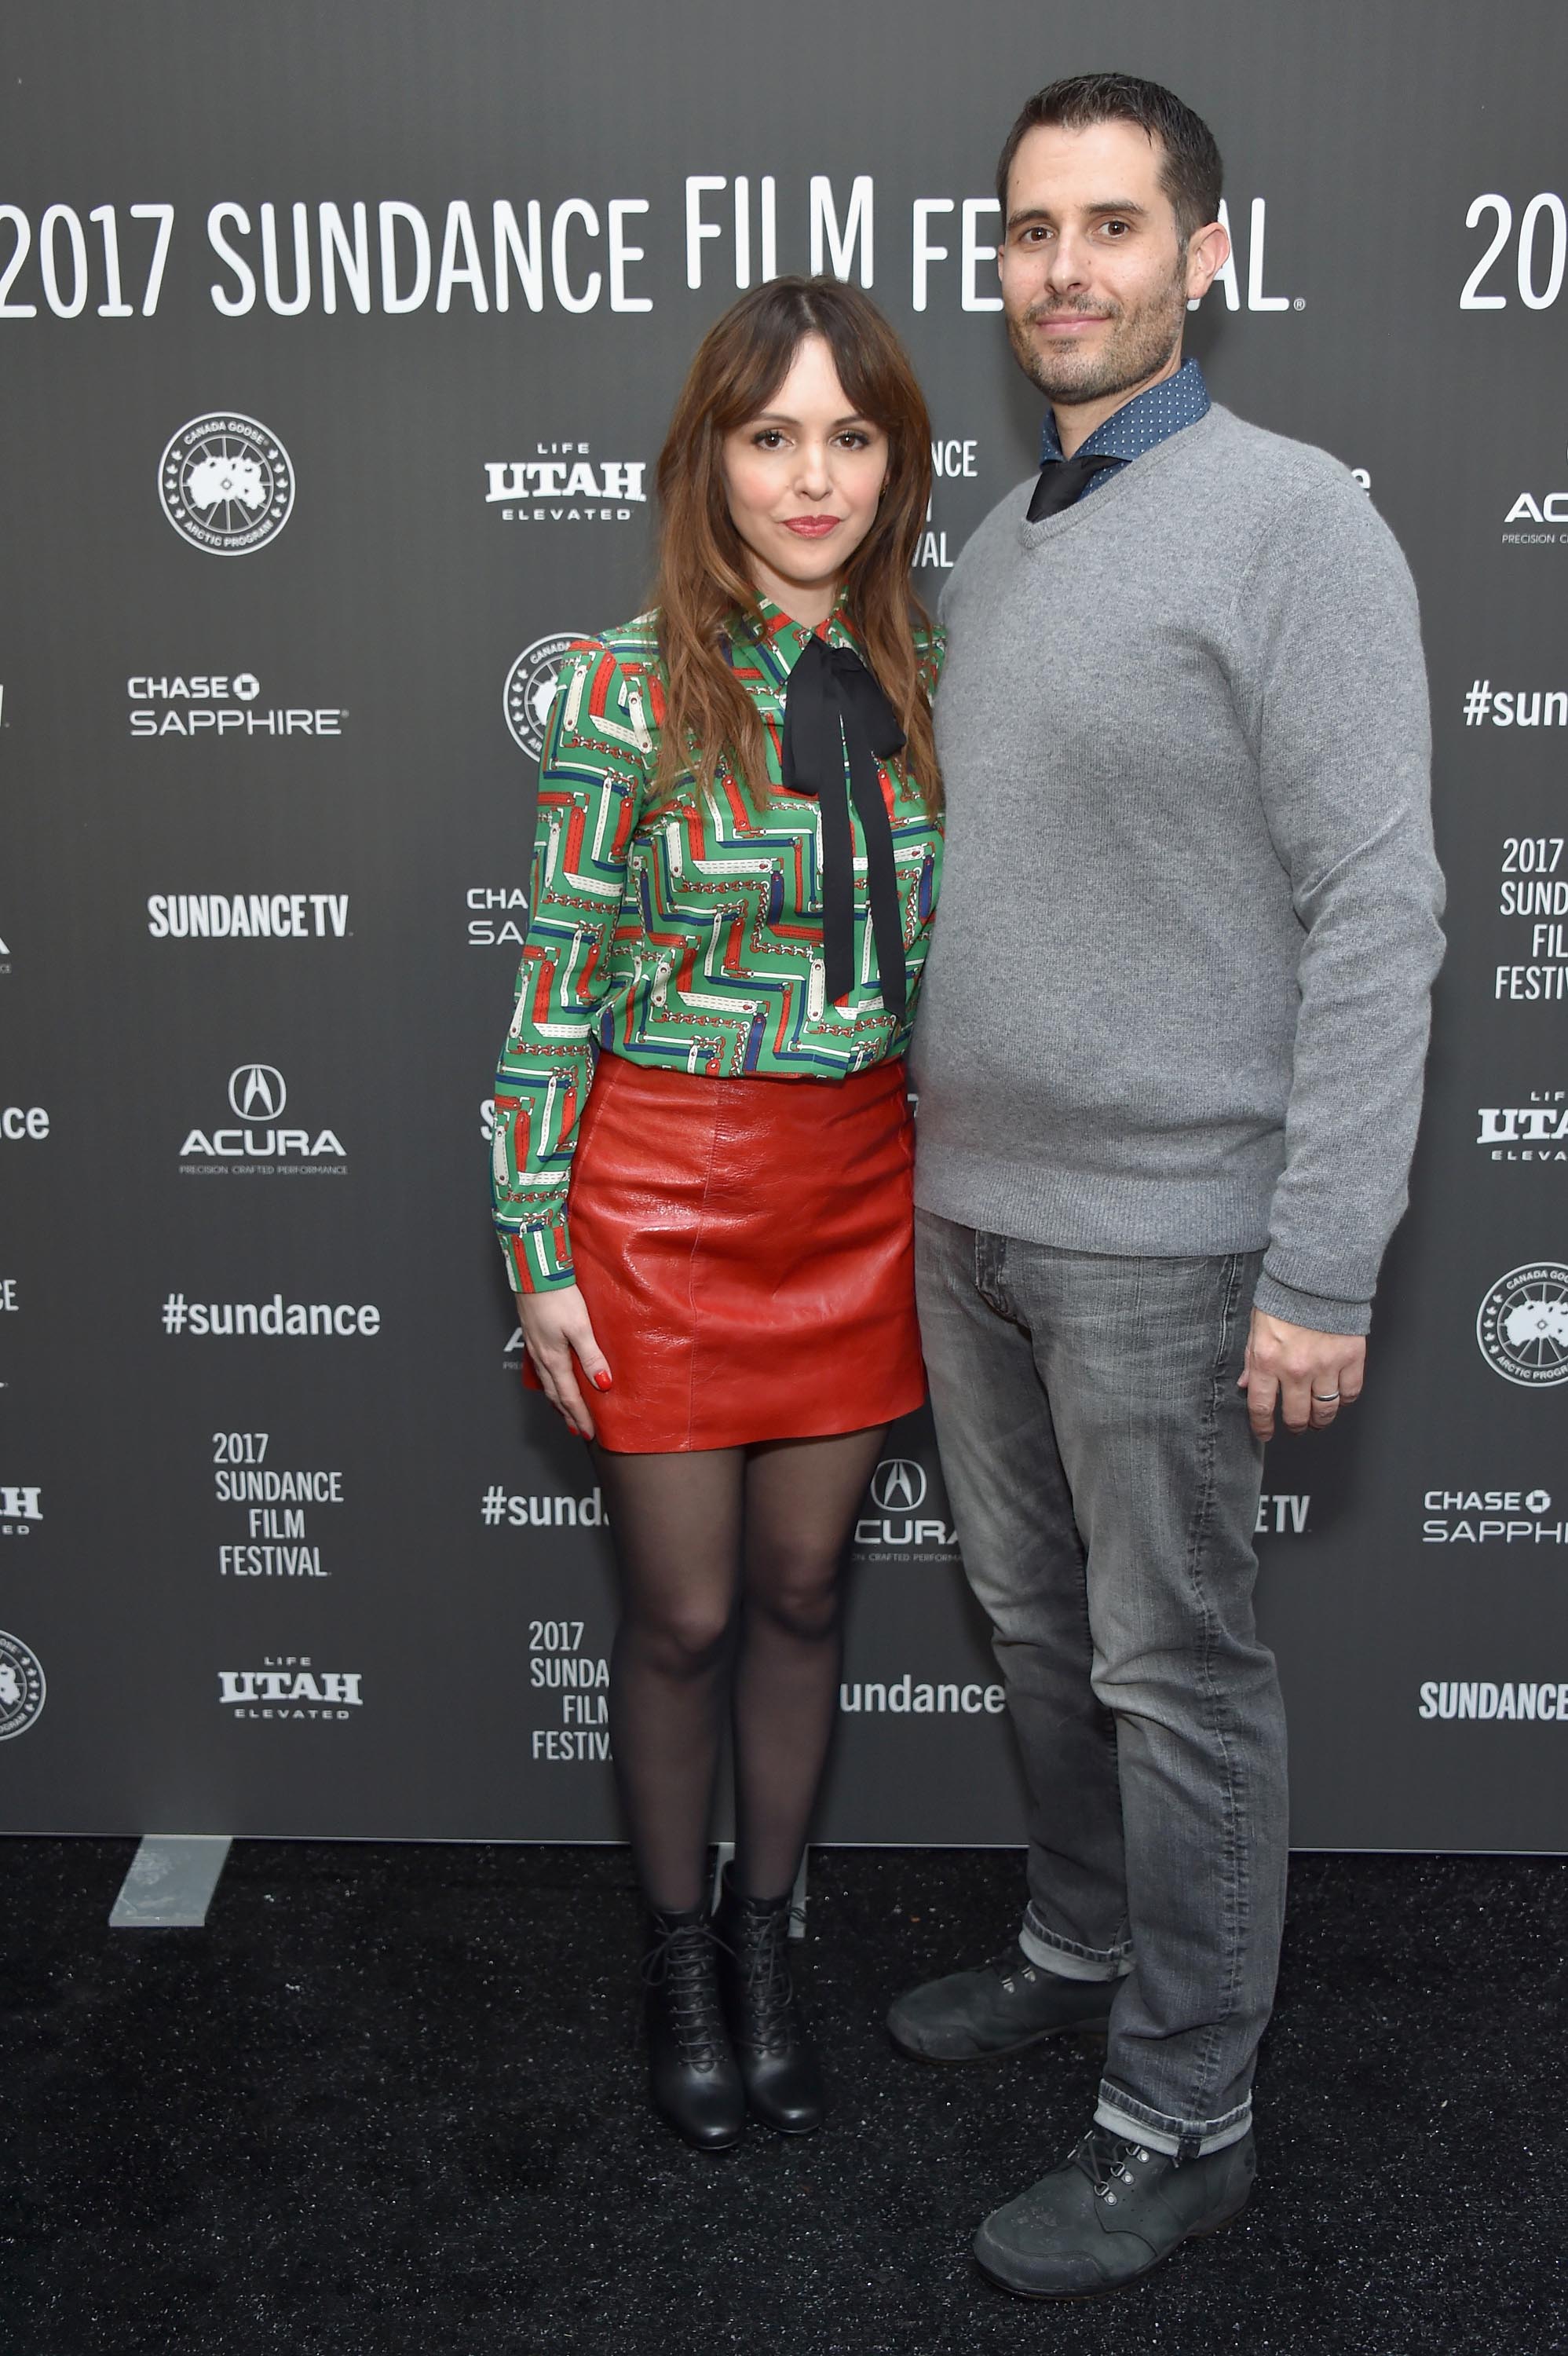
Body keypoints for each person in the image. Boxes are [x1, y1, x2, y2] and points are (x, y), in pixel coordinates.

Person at [890, 74, 1444, 2296]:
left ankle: (1178, 2108)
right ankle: (1073, 1940)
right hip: (969, 1223)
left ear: (1201, 255)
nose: (1063, 268)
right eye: (1030, 229)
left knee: (1173, 1673)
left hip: (1174, 1243)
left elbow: (1379, 908)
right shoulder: (996, 544)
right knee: (1036, 1641)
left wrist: (1319, 1259)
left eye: (1111, 226)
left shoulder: (1297, 522)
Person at [490, 278, 943, 2153]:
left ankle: (773, 1938)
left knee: (805, 1590)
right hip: (664, 1203)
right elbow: (547, 993)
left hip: (858, 1189)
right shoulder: (619, 686)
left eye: (851, 436)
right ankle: (677, 1952)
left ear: (897, 462)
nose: (812, 476)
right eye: (773, 437)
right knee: (679, 1615)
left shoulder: (929, 673)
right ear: (712, 457)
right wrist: (538, 1254)